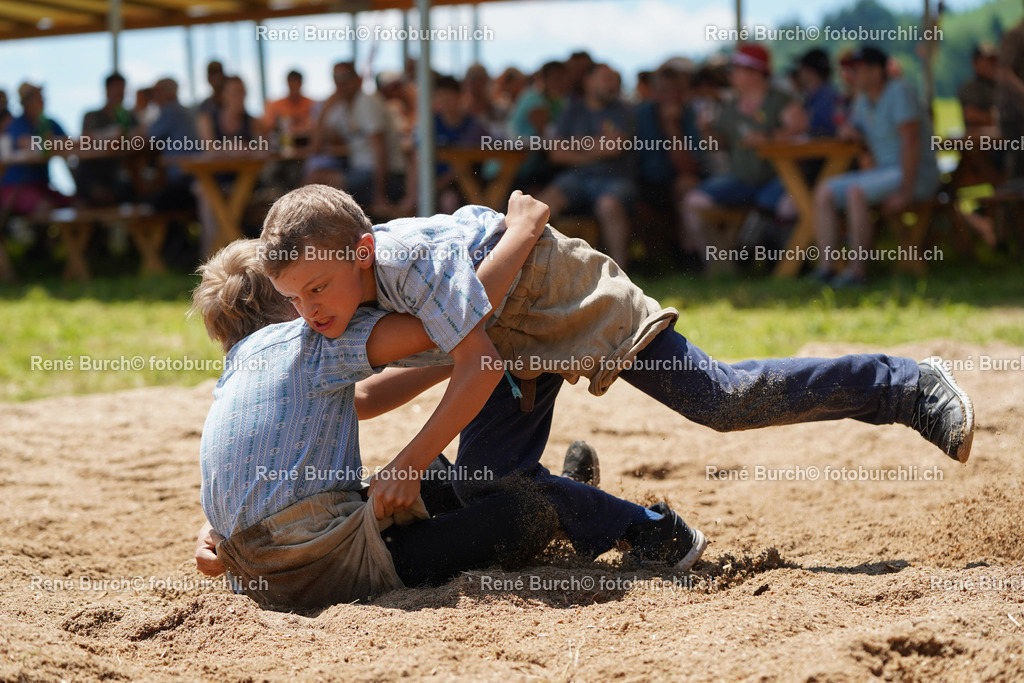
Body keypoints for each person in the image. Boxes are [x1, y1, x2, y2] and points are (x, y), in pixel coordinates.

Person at [258, 183, 977, 572]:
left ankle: (903, 384)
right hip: (509, 347)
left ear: (359, 251)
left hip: (564, 298)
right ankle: (653, 531)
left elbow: (472, 363)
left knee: (719, 400)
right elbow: (414, 374)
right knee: (486, 480)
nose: (310, 308)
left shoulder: (405, 261)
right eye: (295, 298)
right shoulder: (353, 299)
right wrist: (304, 419)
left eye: (317, 287)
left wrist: (412, 460)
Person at [187, 193, 621, 609]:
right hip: (328, 565)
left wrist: (216, 530)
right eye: (297, 299)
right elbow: (457, 315)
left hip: (254, 574)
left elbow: (364, 398)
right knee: (523, 514)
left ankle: (551, 493)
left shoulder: (238, 372)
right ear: (286, 305)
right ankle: (570, 499)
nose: (309, 310)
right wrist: (520, 235)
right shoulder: (310, 339)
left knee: (433, 476)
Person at [813, 46, 940, 287]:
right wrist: (849, 130)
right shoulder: (862, 100)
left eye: (859, 69)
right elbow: (852, 127)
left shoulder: (899, 91)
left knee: (856, 192)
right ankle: (827, 269)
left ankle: (857, 272)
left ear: (877, 71)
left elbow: (911, 143)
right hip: (884, 175)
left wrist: (905, 192)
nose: (853, 75)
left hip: (915, 176)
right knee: (824, 191)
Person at [681, 43, 806, 267]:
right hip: (740, 179)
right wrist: (706, 130)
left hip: (779, 179)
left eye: (737, 68)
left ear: (755, 72)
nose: (732, 74)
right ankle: (719, 268)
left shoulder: (780, 100)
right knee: (694, 202)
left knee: (789, 205)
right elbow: (718, 145)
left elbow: (801, 131)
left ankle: (788, 265)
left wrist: (768, 137)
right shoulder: (730, 106)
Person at [538, 62, 636, 268]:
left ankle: (621, 274)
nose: (612, 84)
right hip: (576, 179)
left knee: (609, 206)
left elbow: (615, 147)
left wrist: (575, 145)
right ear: (588, 82)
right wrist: (597, 147)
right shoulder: (572, 110)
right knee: (543, 206)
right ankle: (543, 273)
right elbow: (556, 154)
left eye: (614, 79)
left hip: (614, 178)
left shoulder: (623, 110)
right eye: (606, 78)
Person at [307, 61, 406, 213]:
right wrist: (324, 110)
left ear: (358, 80)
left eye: (345, 77)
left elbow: (380, 151)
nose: (341, 82)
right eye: (336, 77)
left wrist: (380, 196)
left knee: (318, 181)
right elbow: (317, 147)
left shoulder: (366, 102)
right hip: (361, 170)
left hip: (388, 176)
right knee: (315, 176)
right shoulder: (342, 106)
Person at [0, 82, 74, 216]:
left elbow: (70, 142)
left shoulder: (48, 122)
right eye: (39, 97)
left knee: (75, 203)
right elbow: (24, 142)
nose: (43, 101)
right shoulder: (17, 123)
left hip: (42, 185)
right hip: (16, 188)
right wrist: (52, 142)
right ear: (27, 103)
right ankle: (44, 236)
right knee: (45, 207)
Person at [77, 72, 138, 207]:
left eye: (122, 91)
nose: (119, 95)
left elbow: (139, 139)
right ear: (106, 91)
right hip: (93, 175)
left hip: (119, 174)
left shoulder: (130, 118)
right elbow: (86, 141)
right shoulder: (92, 116)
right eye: (116, 91)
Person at [508, 60, 568, 190]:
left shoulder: (557, 101)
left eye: (563, 78)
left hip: (531, 163)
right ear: (543, 79)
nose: (560, 83)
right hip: (514, 166)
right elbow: (547, 134)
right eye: (556, 79)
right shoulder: (534, 100)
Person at [795, 49, 841, 138]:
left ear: (810, 72)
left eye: (802, 68)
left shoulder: (827, 97)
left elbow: (821, 131)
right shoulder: (816, 95)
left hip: (825, 149)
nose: (799, 73)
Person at [261, 69, 315, 146]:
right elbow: (267, 126)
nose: (294, 86)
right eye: (292, 82)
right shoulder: (275, 105)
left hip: (307, 143)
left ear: (301, 83)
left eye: (297, 82)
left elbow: (315, 125)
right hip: (282, 143)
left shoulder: (311, 103)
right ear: (287, 83)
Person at [960, 42, 999, 130]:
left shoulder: (1001, 86)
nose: (991, 64)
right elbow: (971, 116)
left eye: (993, 60)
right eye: (987, 61)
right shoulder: (971, 87)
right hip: (979, 140)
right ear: (975, 63)